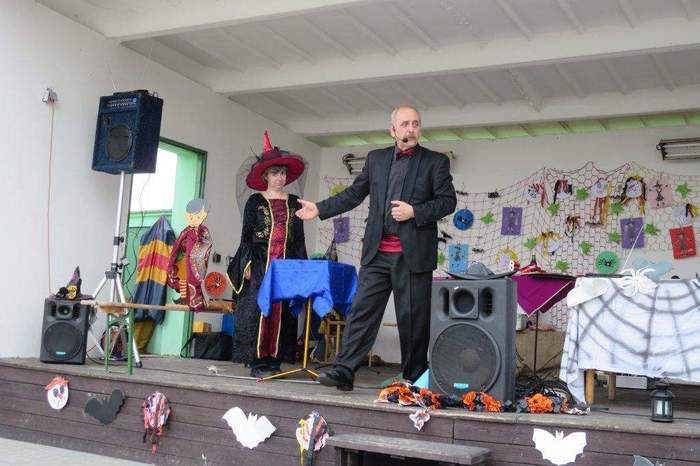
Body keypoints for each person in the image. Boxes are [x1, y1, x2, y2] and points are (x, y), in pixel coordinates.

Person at [296, 106, 457, 390]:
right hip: (376, 253)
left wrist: (415, 211)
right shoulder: (376, 159)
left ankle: (414, 379)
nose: (411, 129)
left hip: (413, 255)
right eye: (405, 124)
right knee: (361, 312)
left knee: (413, 320)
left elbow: (448, 202)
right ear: (392, 130)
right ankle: (344, 371)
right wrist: (320, 208)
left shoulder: (436, 162)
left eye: (415, 124)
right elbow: (353, 194)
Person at [227, 132, 308, 378]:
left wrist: (301, 269)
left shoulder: (295, 202)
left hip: (285, 266)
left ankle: (275, 359)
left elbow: (299, 238)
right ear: (265, 176)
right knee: (258, 310)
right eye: (275, 173)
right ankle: (257, 359)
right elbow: (246, 236)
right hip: (260, 263)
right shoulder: (254, 201)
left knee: (282, 311)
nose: (280, 178)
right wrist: (246, 264)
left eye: (283, 173)